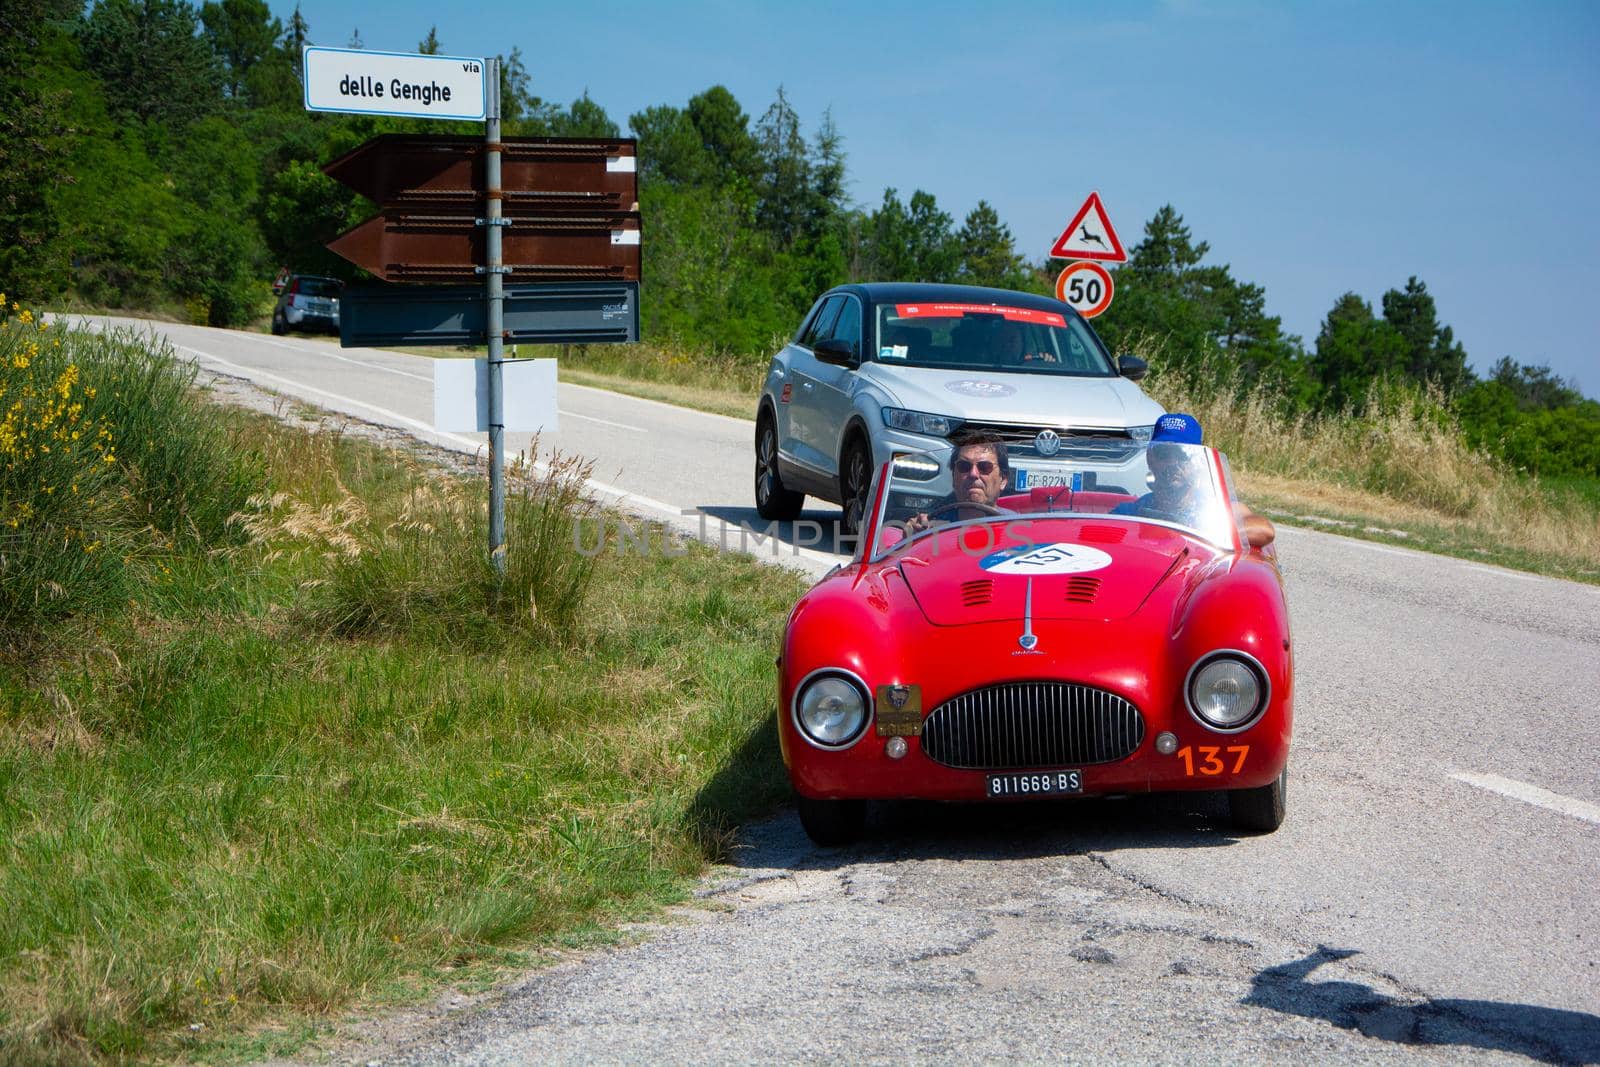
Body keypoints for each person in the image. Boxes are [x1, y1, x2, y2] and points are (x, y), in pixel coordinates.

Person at [1113, 413, 1276, 547]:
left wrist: (1200, 533)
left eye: (1182, 455)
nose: (1172, 463)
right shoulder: (1131, 512)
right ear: (1151, 459)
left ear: (1197, 462)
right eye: (1164, 454)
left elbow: (1263, 530)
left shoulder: (1212, 509)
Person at [905, 431, 1012, 533]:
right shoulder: (931, 529)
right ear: (953, 476)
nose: (973, 474)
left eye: (984, 467)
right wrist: (912, 537)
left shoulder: (1018, 527)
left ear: (1002, 480)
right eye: (964, 466)